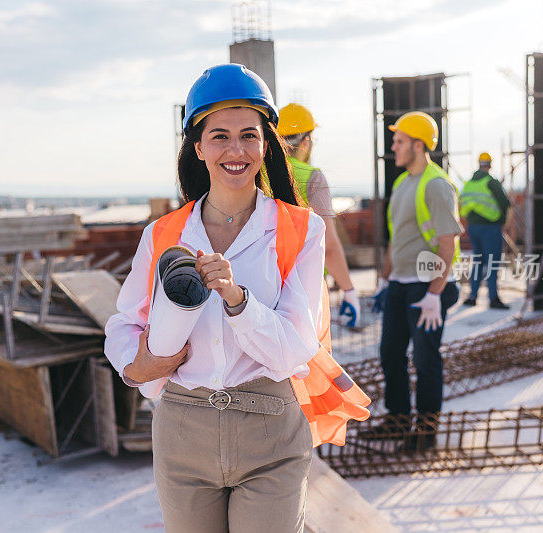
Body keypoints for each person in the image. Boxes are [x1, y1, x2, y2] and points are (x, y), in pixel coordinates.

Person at [104, 64, 368, 532]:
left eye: (249, 135)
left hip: (269, 429)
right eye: (220, 136)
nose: (236, 150)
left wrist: (238, 300)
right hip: (184, 427)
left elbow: (293, 349)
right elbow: (125, 325)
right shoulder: (163, 235)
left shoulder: (300, 229)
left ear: (266, 144)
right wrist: (135, 365)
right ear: (198, 147)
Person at [365, 111, 461, 452]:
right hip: (400, 285)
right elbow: (397, 238)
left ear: (418, 145)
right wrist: (384, 280)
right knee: (390, 353)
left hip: (426, 288)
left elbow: (447, 243)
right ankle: (397, 420)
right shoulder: (402, 183)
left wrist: (436, 293)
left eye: (400, 141)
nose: (394, 146)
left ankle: (426, 430)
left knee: (425, 358)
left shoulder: (436, 185)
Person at [277, 103, 360, 327]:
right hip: (303, 288)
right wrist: (349, 290)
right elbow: (329, 245)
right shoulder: (311, 177)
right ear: (306, 141)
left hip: (259, 285)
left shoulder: (256, 171)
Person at [460, 152, 511, 309]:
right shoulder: (491, 183)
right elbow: (506, 204)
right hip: (490, 228)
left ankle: (473, 296)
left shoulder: (468, 184)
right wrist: (506, 223)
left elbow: (462, 206)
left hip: (473, 228)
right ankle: (493, 298)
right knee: (492, 263)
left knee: (478, 262)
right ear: (489, 164)